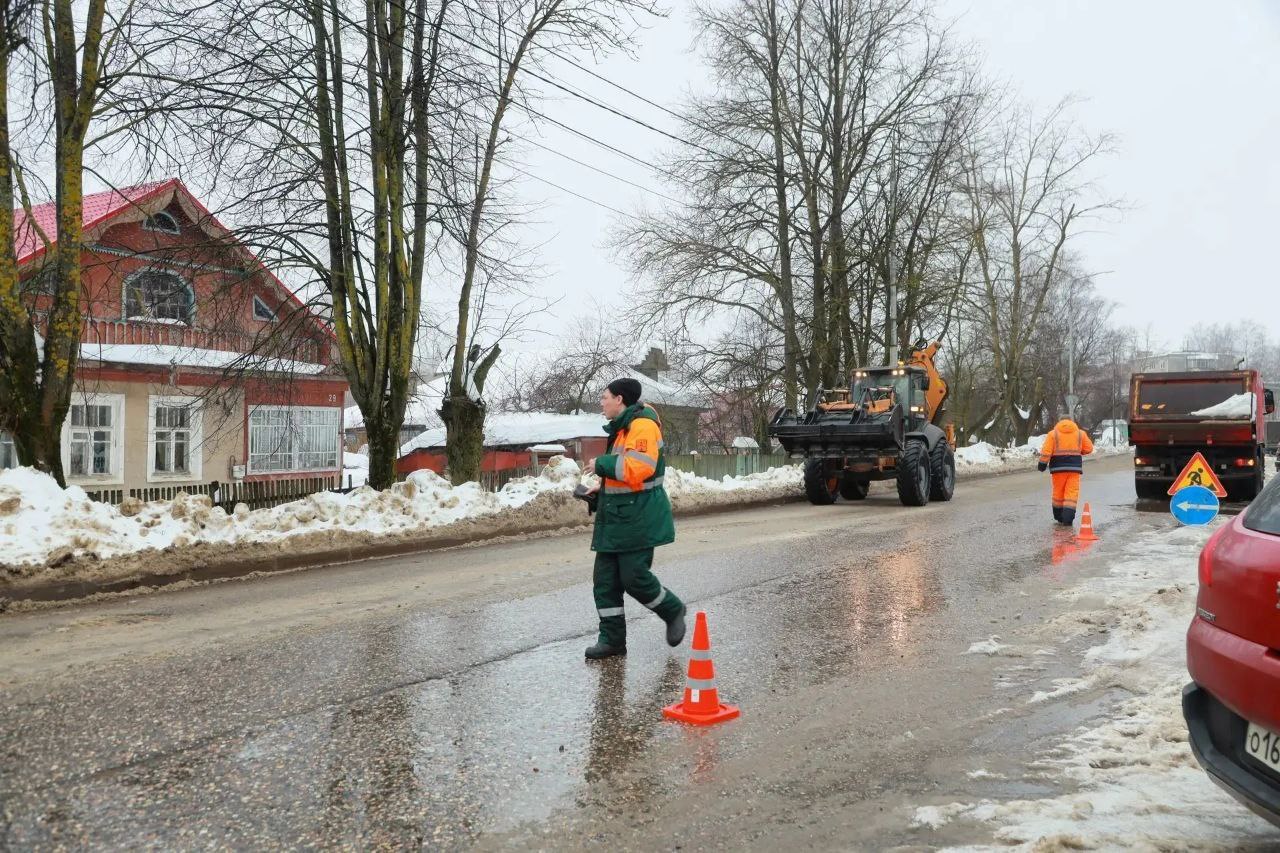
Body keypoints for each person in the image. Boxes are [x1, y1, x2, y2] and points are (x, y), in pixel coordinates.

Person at [583, 378, 687, 660]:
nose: (602, 403)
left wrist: (600, 465)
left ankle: (673, 610)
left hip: (638, 517)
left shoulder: (642, 425)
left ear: (620, 399)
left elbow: (639, 467)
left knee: (634, 578)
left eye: (605, 397)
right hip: (617, 516)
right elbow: (625, 474)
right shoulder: (623, 427)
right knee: (605, 582)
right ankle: (612, 640)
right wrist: (600, 488)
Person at [1038, 413, 1095, 525]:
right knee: (1071, 493)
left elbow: (1046, 451)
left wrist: (1042, 464)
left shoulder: (1052, 434)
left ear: (1059, 422)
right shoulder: (1080, 434)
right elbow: (1089, 448)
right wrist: (1080, 451)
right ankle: (1068, 519)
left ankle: (1059, 516)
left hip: (1057, 469)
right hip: (1074, 469)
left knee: (1058, 492)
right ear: (1071, 421)